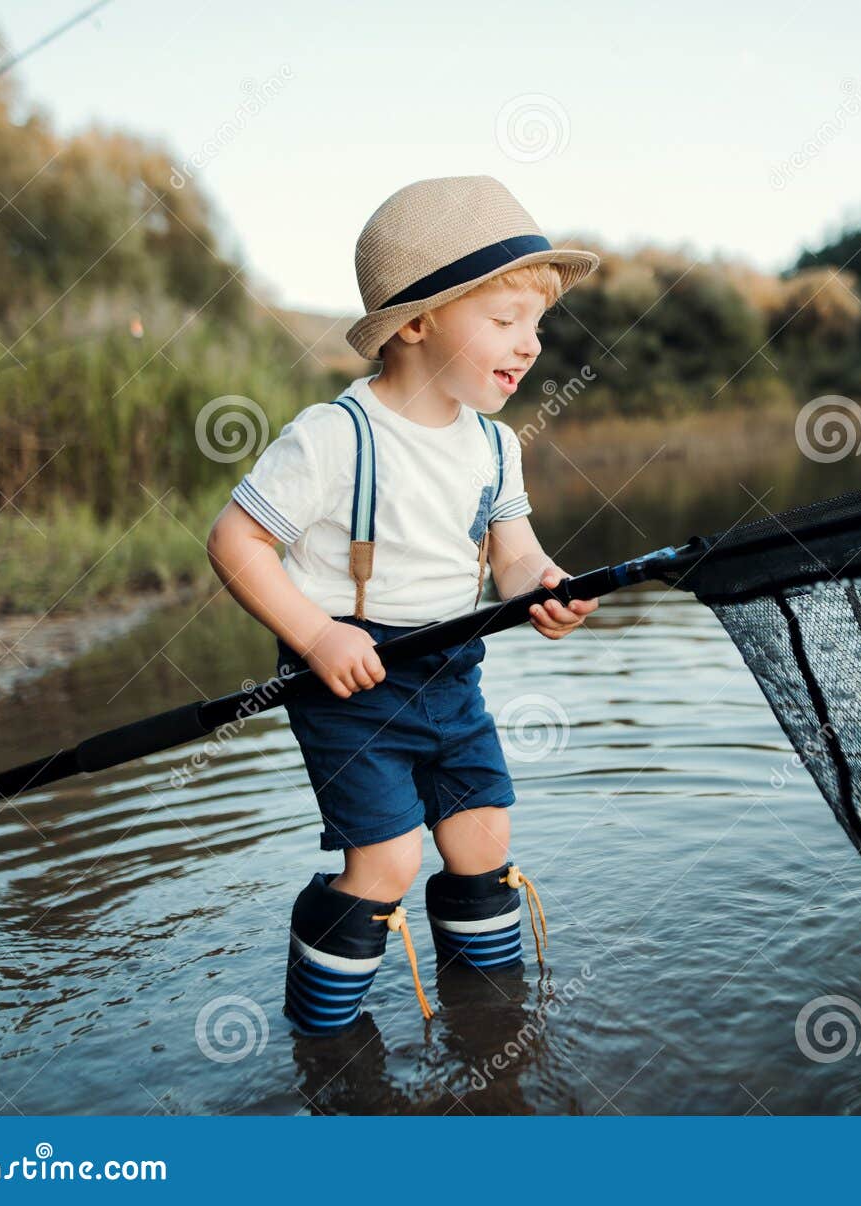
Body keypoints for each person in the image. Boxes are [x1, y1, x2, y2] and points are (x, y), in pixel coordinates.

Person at [205, 175, 599, 1032]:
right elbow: (235, 544)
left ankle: (488, 1020)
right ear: (416, 322)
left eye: (537, 324)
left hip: (451, 671)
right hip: (350, 682)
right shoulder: (334, 436)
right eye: (504, 322)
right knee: (384, 861)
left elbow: (514, 552)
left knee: (482, 839)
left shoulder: (497, 446)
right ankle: (325, 1041)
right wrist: (315, 634)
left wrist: (542, 585)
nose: (530, 345)